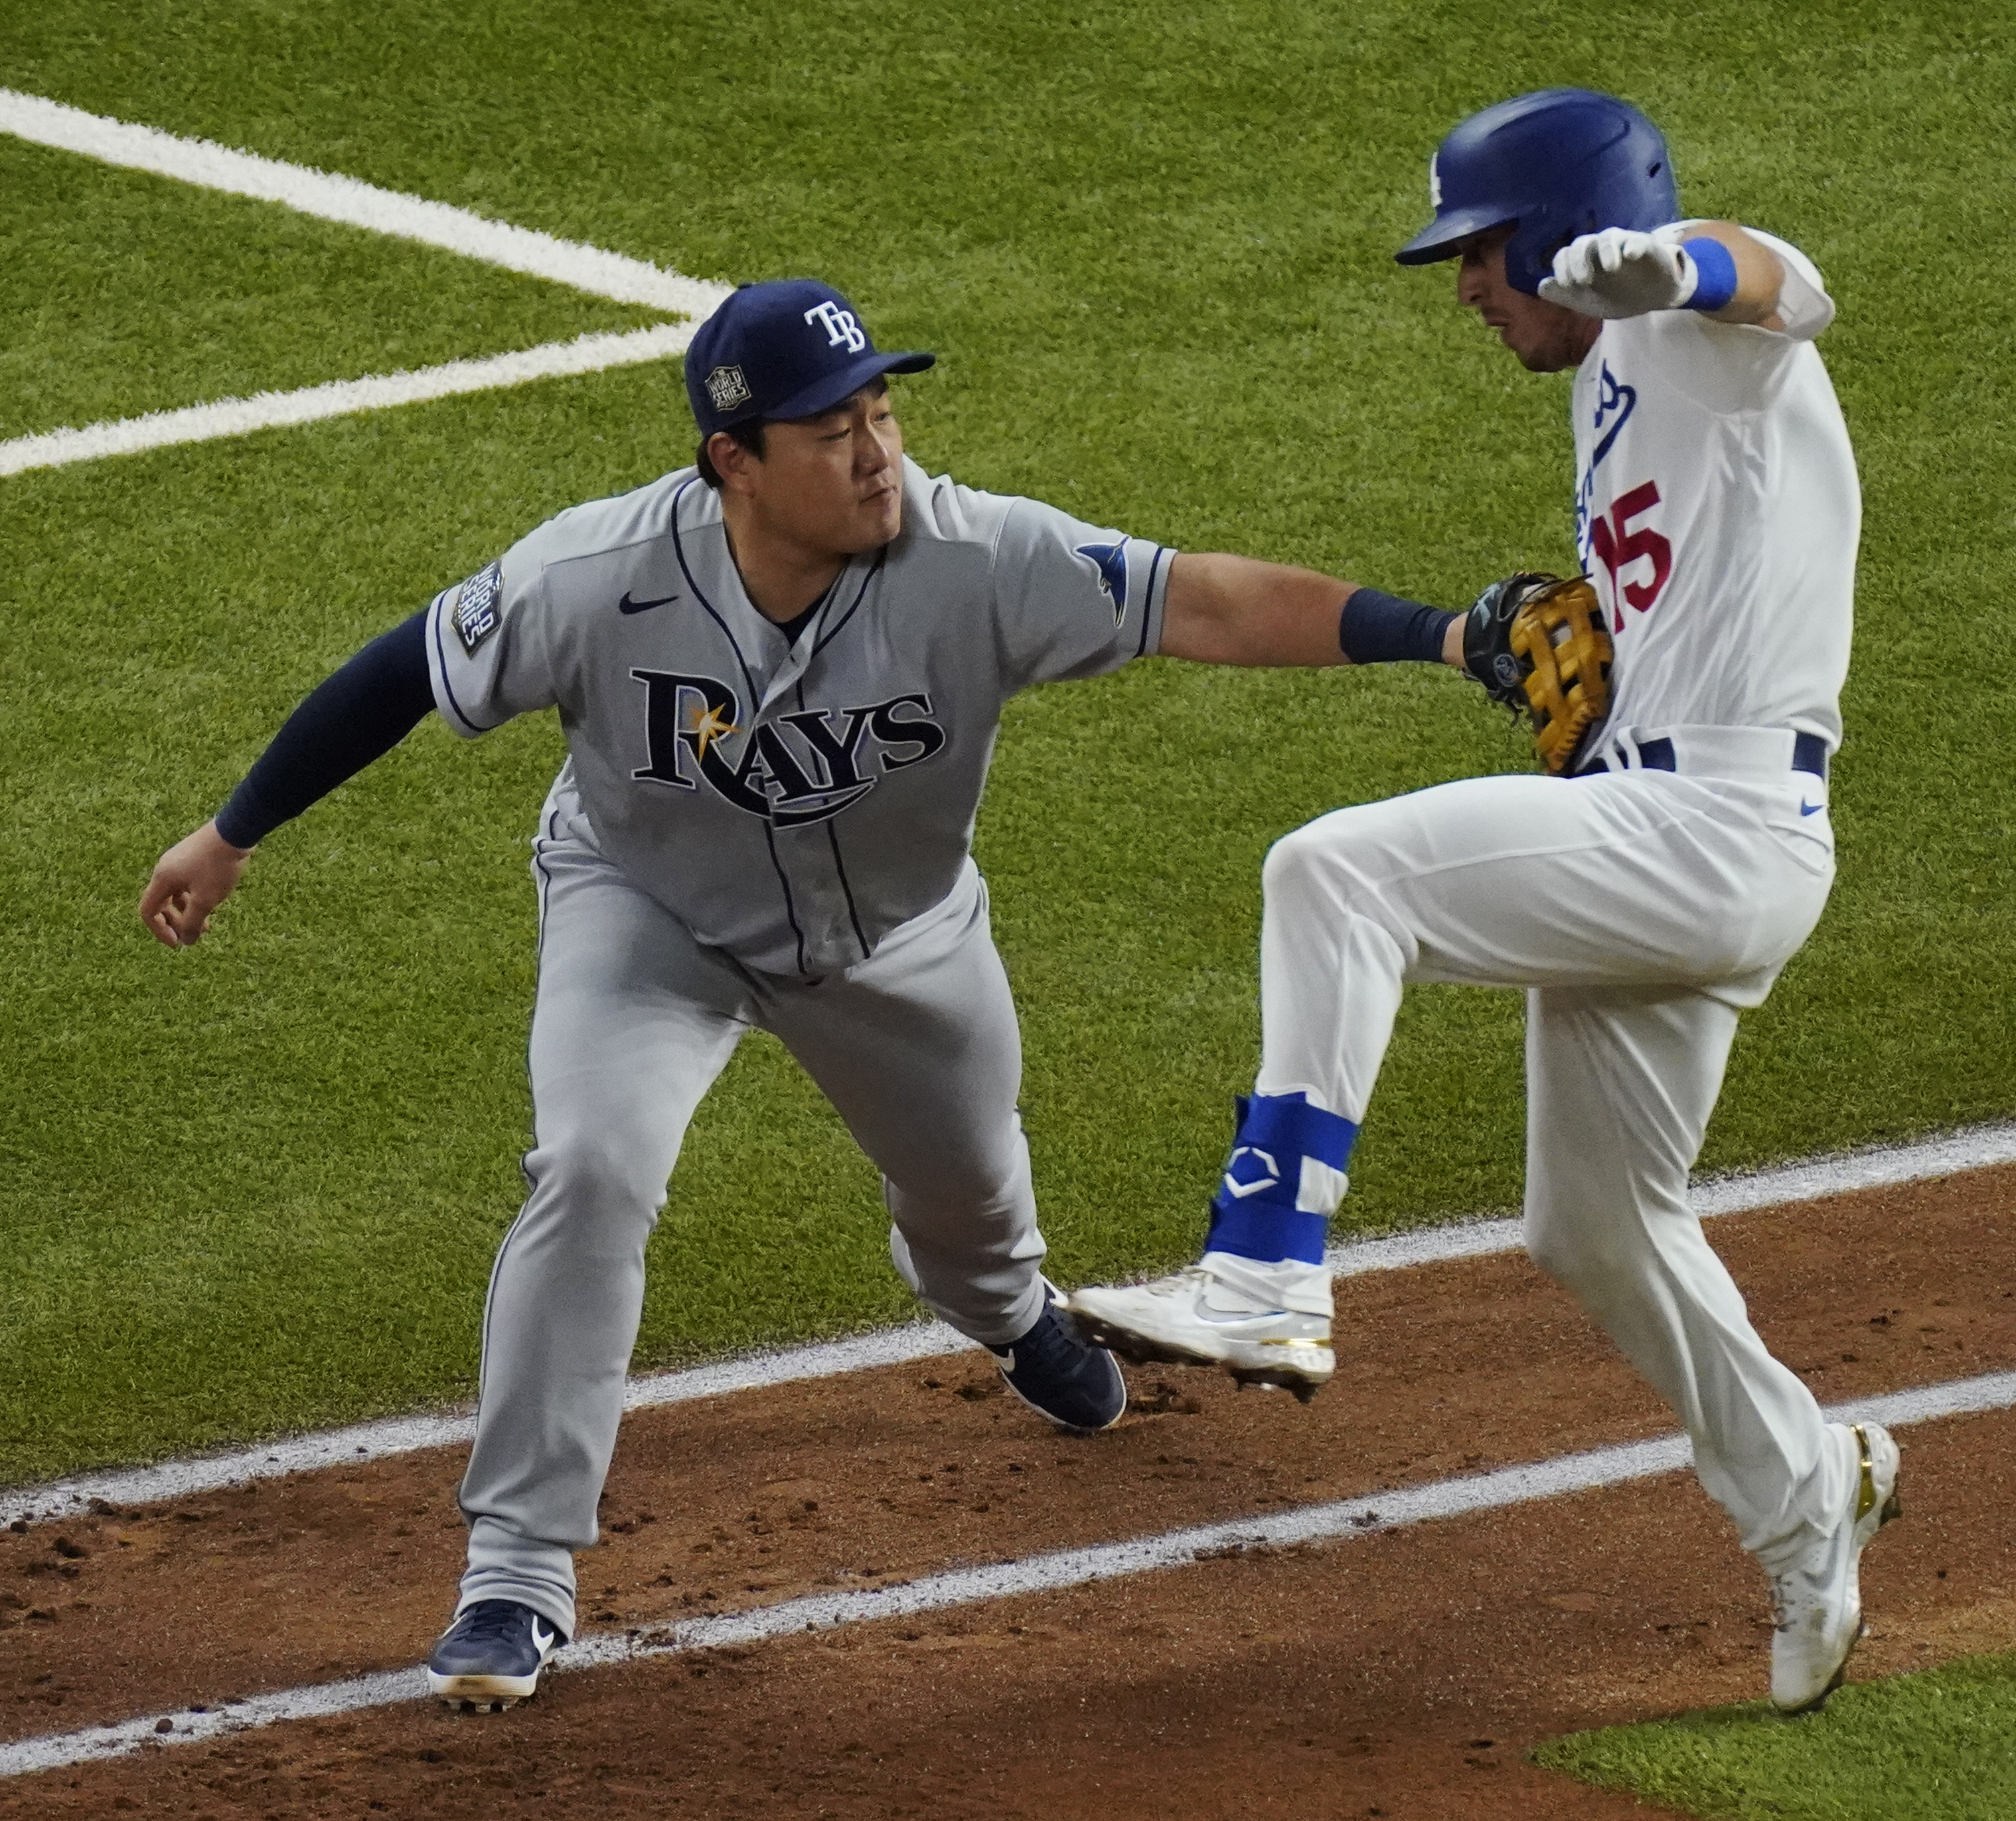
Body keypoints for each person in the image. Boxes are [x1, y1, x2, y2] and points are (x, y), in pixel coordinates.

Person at [137, 277, 1456, 1710]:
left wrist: (1439, 634)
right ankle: (517, 1569)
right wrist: (231, 832)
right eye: (834, 430)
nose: (879, 450)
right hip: (645, 915)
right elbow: (403, 669)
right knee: (590, 1166)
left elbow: (1200, 599)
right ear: (734, 463)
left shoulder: (977, 553)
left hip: (897, 936)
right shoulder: (596, 575)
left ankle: (1011, 1315)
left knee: (972, 1205)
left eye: (882, 410)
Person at [1066, 91, 1900, 1714]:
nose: (1464, 287)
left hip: (1719, 821)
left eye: (1484, 251)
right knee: (1591, 1225)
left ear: (1570, 228)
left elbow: (1792, 286)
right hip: (1663, 818)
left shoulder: (1693, 333)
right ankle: (1811, 1499)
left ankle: (1265, 1274)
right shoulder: (1603, 390)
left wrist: (1674, 262)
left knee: (1332, 869)